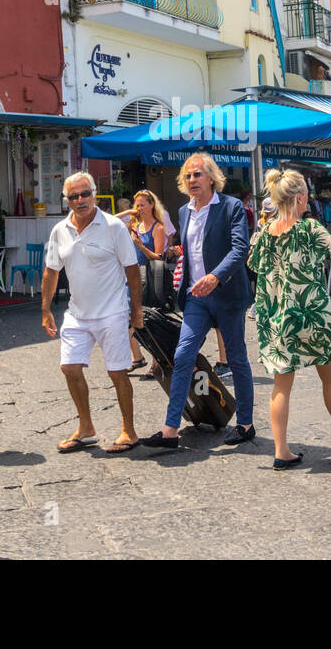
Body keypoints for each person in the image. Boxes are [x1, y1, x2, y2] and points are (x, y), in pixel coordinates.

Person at [247, 169, 331, 469]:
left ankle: (281, 450)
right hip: (313, 315)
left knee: (281, 386)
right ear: (300, 198)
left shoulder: (264, 234)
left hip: (279, 317)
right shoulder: (310, 229)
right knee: (330, 379)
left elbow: (254, 268)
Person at [139, 154, 254, 450]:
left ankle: (245, 423)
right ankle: (170, 430)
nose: (192, 180)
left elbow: (240, 248)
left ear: (212, 178)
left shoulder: (231, 207)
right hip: (195, 298)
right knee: (182, 355)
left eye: (198, 174)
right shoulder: (184, 211)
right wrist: (180, 255)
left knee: (237, 358)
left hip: (226, 295)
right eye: (188, 176)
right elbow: (193, 249)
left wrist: (215, 277)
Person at [41, 172, 141, 454]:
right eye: (74, 196)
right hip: (77, 313)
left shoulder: (113, 227)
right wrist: (45, 308)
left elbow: (132, 270)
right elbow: (51, 271)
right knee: (69, 367)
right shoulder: (60, 229)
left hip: (112, 311)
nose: (80, 200)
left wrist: (137, 310)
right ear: (67, 200)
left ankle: (129, 431)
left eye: (85, 194)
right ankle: (86, 428)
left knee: (117, 373)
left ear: (94, 193)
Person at [124, 189, 168, 371]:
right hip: (132, 276)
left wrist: (141, 246)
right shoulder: (134, 224)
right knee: (127, 319)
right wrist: (127, 212)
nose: (139, 208)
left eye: (142, 204)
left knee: (149, 320)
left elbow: (159, 257)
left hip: (149, 277)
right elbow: (108, 221)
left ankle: (157, 362)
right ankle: (137, 357)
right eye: (137, 205)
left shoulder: (158, 228)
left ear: (151, 205)